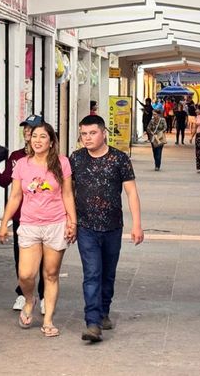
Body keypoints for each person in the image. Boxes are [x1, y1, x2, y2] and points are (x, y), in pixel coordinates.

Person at [0, 122, 77, 337]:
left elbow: (67, 194)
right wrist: (4, 223)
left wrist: (72, 222)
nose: (38, 140)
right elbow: (15, 196)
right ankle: (29, 300)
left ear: (51, 142)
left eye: (43, 137)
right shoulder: (22, 164)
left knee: (51, 274)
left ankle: (48, 320)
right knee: (25, 274)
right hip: (29, 224)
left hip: (55, 224)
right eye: (34, 136)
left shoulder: (62, 163)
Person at [70, 115, 144, 342]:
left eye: (92, 133)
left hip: (113, 227)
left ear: (104, 133)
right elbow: (67, 191)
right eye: (84, 134)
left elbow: (131, 192)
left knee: (108, 274)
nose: (88, 138)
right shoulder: (76, 158)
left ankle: (103, 312)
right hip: (86, 227)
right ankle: (92, 322)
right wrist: (69, 220)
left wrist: (137, 224)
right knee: (92, 273)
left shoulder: (119, 159)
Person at [0, 114, 46, 312]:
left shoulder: (49, 156)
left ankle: (43, 295)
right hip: (21, 217)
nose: (27, 132)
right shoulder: (16, 157)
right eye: (25, 128)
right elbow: (4, 181)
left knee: (44, 259)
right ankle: (24, 294)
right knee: (21, 258)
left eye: (31, 129)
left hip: (44, 217)